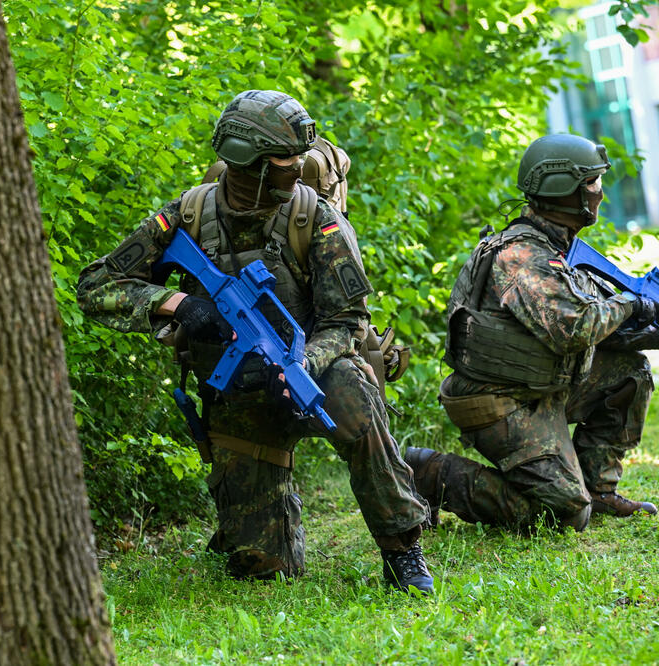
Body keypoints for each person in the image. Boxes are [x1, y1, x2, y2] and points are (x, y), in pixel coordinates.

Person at [76, 90, 433, 593]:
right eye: (286, 166)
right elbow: (96, 286)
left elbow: (345, 319)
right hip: (238, 395)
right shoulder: (188, 216)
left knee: (354, 394)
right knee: (261, 568)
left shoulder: (317, 220)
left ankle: (403, 548)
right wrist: (181, 306)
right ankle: (251, 531)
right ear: (249, 166)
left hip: (315, 372)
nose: (298, 173)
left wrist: (304, 364)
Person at [405, 134, 659, 532]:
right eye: (592, 184)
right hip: (497, 401)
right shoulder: (521, 256)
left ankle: (598, 489)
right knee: (564, 514)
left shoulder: (560, 251)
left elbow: (606, 335)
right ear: (562, 189)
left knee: (630, 372)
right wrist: (630, 304)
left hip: (541, 387)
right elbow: (576, 328)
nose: (599, 194)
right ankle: (428, 473)